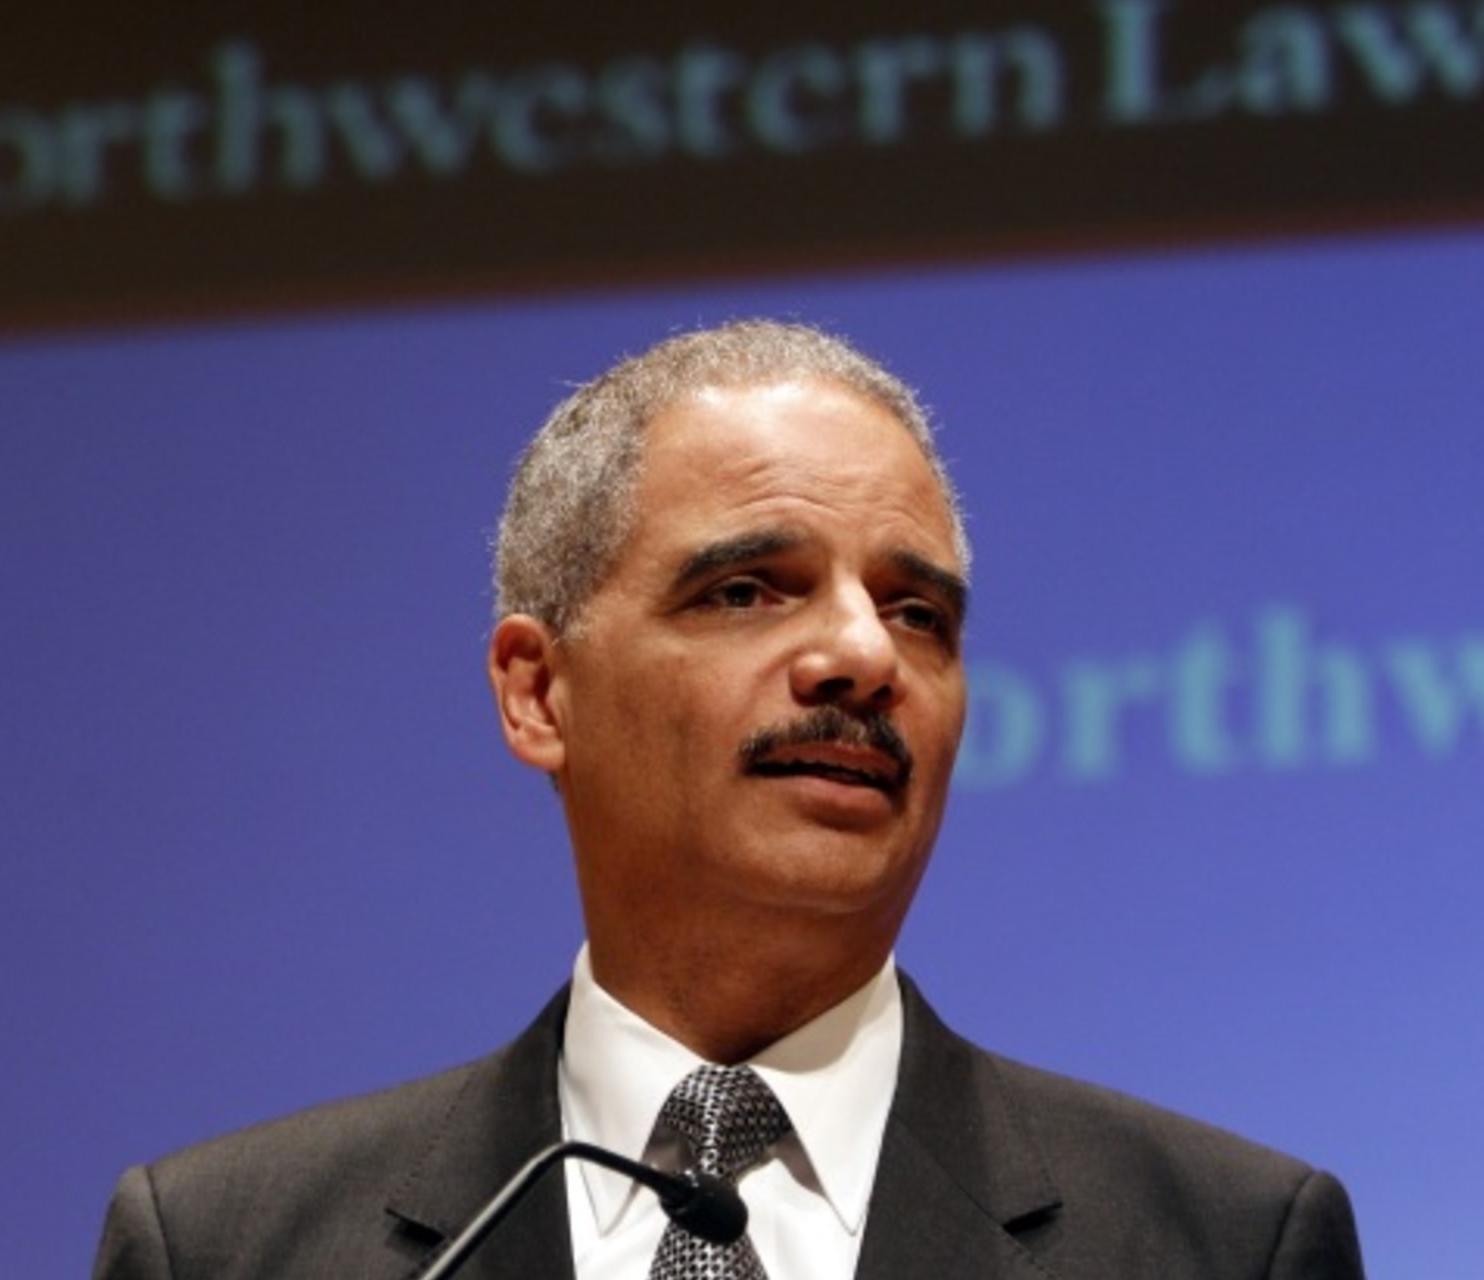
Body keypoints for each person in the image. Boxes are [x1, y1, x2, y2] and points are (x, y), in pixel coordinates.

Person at [93, 320, 1366, 1279]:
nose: (866, 656)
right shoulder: (228, 1246)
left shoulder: (1225, 1240)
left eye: (919, 613)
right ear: (539, 692)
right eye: (750, 589)